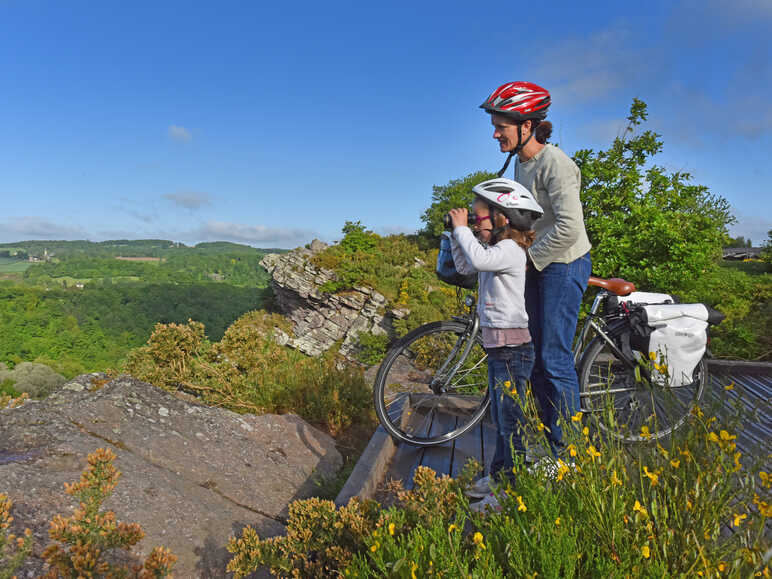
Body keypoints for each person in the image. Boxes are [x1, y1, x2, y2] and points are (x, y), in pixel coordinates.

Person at [480, 82, 592, 459]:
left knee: (553, 358)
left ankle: (569, 456)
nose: (495, 133)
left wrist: (524, 260)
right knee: (533, 356)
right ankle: (549, 442)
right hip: (539, 262)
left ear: (526, 126)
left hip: (563, 263)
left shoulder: (555, 164)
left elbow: (569, 228)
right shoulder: (522, 164)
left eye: (502, 127)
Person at [448, 178, 543, 512]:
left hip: (512, 350)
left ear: (503, 218)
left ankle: (509, 492)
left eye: (478, 217)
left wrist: (463, 231)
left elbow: (478, 261)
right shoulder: (494, 249)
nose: (474, 222)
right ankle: (501, 476)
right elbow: (465, 267)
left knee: (510, 421)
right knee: (502, 418)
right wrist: (457, 235)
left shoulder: (510, 251)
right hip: (499, 348)